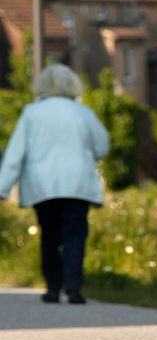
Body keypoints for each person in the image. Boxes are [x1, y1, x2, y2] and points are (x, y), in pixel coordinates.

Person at [0, 63, 109, 304]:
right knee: (75, 234)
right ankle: (74, 287)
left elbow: (15, 154)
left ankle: (52, 287)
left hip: (42, 186)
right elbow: (102, 146)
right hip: (77, 185)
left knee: (49, 235)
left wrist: (3, 188)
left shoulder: (31, 113)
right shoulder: (82, 112)